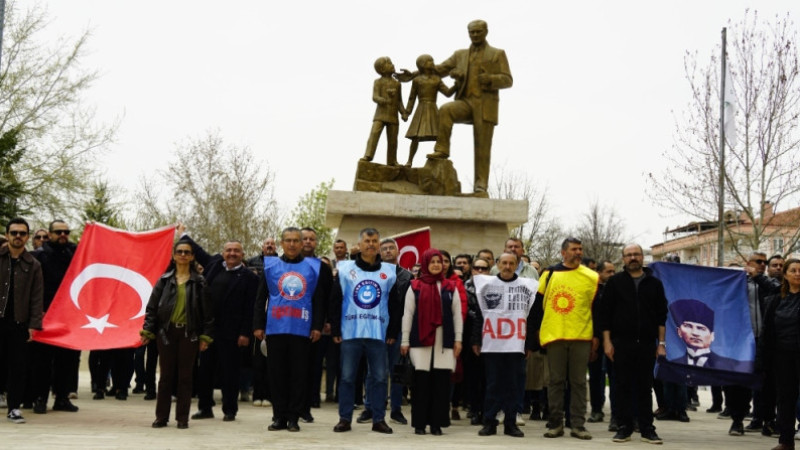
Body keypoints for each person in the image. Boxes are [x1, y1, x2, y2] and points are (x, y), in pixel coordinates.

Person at [427, 19, 512, 196]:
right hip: (466, 102)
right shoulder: (460, 55)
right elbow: (437, 70)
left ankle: (480, 185)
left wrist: (490, 79)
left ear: (486, 32)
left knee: (482, 147)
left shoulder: (497, 54)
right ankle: (442, 149)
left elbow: (507, 80)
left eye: (478, 32)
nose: (474, 35)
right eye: (471, 32)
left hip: (485, 106)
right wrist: (415, 73)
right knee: (446, 109)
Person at [182, 226, 258, 422]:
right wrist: (183, 235)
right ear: (223, 253)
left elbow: (251, 307)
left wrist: (245, 333)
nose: (232, 254)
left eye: (236, 251)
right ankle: (205, 407)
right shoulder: (214, 265)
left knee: (230, 374)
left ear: (242, 254)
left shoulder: (250, 277)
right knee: (204, 371)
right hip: (208, 330)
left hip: (233, 333)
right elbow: (198, 251)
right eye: (228, 250)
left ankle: (230, 410)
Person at [330, 228, 402, 434]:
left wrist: (392, 332)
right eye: (367, 241)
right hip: (350, 332)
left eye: (374, 241)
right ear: (359, 245)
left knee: (380, 377)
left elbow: (395, 305)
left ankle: (378, 419)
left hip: (378, 334)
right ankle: (344, 419)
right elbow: (336, 300)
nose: (371, 244)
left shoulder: (389, 271)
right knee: (347, 377)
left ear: (379, 245)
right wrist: (335, 327)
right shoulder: (345, 269)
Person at [253, 227, 324, 433]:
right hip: (275, 329)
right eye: (288, 240)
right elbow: (260, 298)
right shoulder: (271, 265)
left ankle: (294, 417)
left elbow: (318, 300)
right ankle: (279, 417)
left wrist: (317, 326)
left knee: (299, 375)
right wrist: (258, 325)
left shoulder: (313, 267)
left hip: (302, 329)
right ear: (282, 243)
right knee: (276, 375)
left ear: (302, 243)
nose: (292, 244)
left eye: (296, 240)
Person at [141, 239, 213, 429]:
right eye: (179, 252)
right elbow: (152, 308)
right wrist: (148, 330)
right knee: (165, 377)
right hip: (166, 333)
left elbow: (207, 313)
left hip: (189, 334)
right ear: (174, 256)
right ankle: (161, 417)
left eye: (187, 252)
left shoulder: (200, 282)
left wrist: (205, 336)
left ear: (192, 257)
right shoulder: (164, 280)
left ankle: (182, 418)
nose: (183, 255)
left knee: (185, 377)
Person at [600, 244, 667, 444]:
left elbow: (662, 316)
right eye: (628, 255)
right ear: (623, 259)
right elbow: (606, 315)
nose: (632, 258)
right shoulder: (615, 283)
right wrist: (606, 342)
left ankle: (647, 428)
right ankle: (624, 427)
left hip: (646, 343)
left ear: (642, 257)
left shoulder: (654, 284)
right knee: (621, 386)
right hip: (621, 343)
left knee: (645, 387)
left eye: (636, 254)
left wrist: (661, 343)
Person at [532, 237, 598, 440]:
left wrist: (595, 337)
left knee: (578, 382)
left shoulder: (591, 276)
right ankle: (555, 424)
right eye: (573, 249)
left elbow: (596, 310)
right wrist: (536, 333)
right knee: (555, 382)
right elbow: (537, 306)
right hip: (555, 335)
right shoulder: (549, 273)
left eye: (580, 249)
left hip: (581, 336)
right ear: (563, 252)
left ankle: (578, 425)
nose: (578, 252)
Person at [472, 252, 537, 438]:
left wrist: (529, 344)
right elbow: (480, 315)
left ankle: (511, 424)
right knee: (493, 384)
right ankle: (489, 422)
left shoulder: (527, 287)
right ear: (498, 264)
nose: (507, 266)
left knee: (514, 385)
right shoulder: (486, 285)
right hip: (493, 345)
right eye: (504, 263)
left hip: (516, 345)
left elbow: (531, 318)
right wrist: (476, 340)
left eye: (511, 263)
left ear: (516, 265)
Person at [401, 248, 463, 435]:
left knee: (441, 385)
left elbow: (457, 315)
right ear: (426, 264)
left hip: (444, 342)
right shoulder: (415, 286)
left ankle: (437, 424)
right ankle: (420, 424)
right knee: (421, 385)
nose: (437, 265)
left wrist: (458, 339)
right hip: (420, 342)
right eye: (433, 262)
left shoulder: (450, 287)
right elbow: (408, 314)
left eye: (440, 262)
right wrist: (404, 340)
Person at [356, 238, 412, 426]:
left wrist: (398, 332)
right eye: (384, 248)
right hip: (375, 330)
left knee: (396, 371)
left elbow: (406, 307)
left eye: (391, 248)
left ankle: (396, 410)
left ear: (397, 252)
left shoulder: (407, 276)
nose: (388, 251)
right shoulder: (370, 274)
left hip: (397, 331)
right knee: (373, 372)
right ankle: (369, 408)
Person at [31, 220, 80, 413]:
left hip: (68, 316)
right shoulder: (39, 256)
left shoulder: (73, 254)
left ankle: (62, 397)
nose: (63, 235)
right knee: (42, 361)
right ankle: (40, 398)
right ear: (50, 234)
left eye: (66, 232)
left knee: (66, 361)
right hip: (45, 314)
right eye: (58, 232)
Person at [1, 218, 43, 424]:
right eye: (14, 232)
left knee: (18, 367)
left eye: (22, 233)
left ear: (27, 236)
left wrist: (34, 325)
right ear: (7, 234)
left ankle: (14, 408)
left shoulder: (33, 264)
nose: (18, 236)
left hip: (19, 323)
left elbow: (37, 297)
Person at [759, 258, 800, 450]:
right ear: (785, 275)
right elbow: (767, 331)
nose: (798, 274)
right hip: (782, 356)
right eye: (793, 270)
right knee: (785, 399)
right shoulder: (776, 300)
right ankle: (786, 441)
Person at [403, 54, 456, 167]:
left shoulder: (437, 79)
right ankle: (409, 160)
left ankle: (439, 156)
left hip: (433, 108)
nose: (432, 63)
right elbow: (411, 97)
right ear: (422, 65)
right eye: (429, 61)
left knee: (439, 135)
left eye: (432, 60)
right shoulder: (417, 80)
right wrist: (407, 112)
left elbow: (447, 93)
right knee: (415, 136)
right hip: (421, 109)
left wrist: (457, 85)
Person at [667, 299, 750, 371]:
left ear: (712, 335)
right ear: (679, 331)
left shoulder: (729, 365)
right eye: (688, 326)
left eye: (701, 328)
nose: (695, 333)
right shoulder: (674, 363)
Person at [361, 57, 408, 166]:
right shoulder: (378, 82)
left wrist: (403, 112)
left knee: (393, 140)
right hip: (380, 115)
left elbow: (399, 101)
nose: (392, 64)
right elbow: (375, 96)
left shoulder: (397, 84)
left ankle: (392, 161)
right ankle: (368, 155)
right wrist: (382, 100)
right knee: (374, 135)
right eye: (388, 63)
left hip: (393, 116)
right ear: (382, 69)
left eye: (391, 62)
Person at [588, 260, 615, 426]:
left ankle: (616, 415)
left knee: (615, 378)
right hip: (595, 339)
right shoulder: (593, 291)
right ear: (599, 273)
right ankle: (596, 409)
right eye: (608, 272)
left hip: (615, 340)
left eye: (613, 272)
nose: (612, 275)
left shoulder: (617, 290)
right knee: (596, 376)